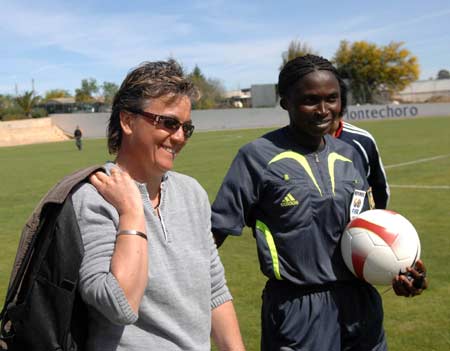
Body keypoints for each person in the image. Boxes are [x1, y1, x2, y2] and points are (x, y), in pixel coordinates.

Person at [211, 55, 427, 351]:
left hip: (362, 306)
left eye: (332, 99)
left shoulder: (350, 154)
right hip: (297, 311)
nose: (323, 110)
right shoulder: (256, 157)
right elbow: (214, 234)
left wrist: (398, 271)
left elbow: (365, 232)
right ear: (285, 101)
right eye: (310, 100)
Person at [72, 60, 245, 351]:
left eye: (186, 128)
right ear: (127, 122)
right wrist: (131, 212)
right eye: (168, 123)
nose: (179, 137)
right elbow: (119, 304)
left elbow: (214, 289)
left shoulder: (192, 193)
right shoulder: (93, 197)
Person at [330, 117, 390, 209]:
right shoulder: (300, 142)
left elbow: (379, 189)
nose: (323, 110)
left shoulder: (362, 140)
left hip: (354, 221)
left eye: (330, 101)